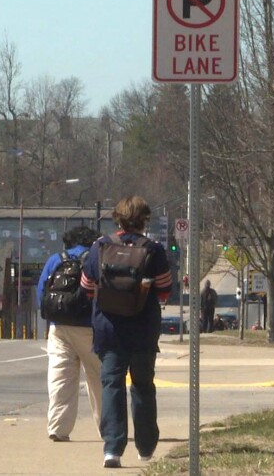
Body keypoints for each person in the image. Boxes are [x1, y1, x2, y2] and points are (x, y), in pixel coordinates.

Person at [80, 196, 172, 468]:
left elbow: (86, 287)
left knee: (111, 386)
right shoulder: (153, 250)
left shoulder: (100, 247)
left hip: (109, 330)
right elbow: (165, 289)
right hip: (143, 331)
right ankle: (145, 446)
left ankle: (112, 448)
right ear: (144, 220)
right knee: (143, 386)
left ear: (117, 218)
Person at [36, 225, 103, 443]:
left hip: (59, 327)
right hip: (89, 327)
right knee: (99, 379)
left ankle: (58, 428)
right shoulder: (96, 258)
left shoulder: (56, 260)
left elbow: (41, 295)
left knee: (60, 378)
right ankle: (108, 428)